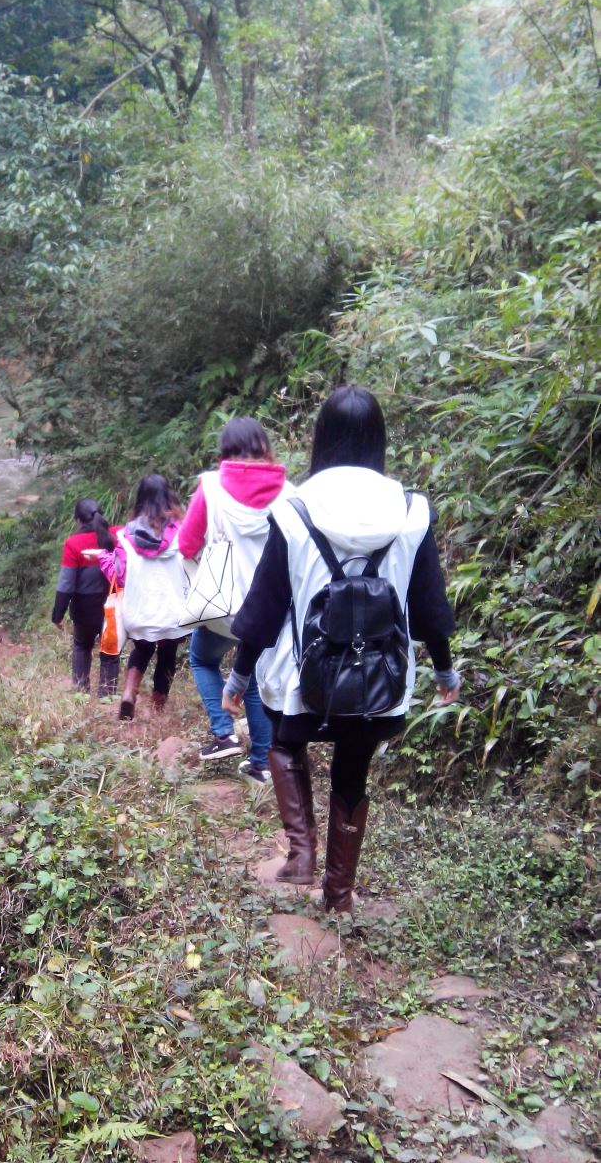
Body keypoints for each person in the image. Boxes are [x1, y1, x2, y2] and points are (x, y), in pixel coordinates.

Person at [222, 386, 460, 912]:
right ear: (378, 439)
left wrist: (238, 677)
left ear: (321, 437)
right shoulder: (411, 511)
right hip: (380, 680)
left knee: (285, 740)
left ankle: (301, 853)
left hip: (304, 676)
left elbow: (265, 604)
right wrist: (445, 670)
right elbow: (429, 603)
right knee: (353, 770)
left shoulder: (293, 511)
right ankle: (338, 893)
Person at [178, 417, 293, 783]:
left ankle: (223, 732)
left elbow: (186, 544)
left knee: (201, 659)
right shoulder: (290, 494)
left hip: (222, 605)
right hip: (270, 610)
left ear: (225, 450)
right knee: (255, 678)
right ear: (265, 447)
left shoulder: (211, 488)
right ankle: (261, 765)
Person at [100, 474, 188, 720]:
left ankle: (129, 693)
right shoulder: (182, 533)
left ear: (140, 499)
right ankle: (157, 708)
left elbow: (119, 576)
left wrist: (103, 558)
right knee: (167, 654)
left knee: (142, 649)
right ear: (168, 497)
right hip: (172, 610)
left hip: (139, 610)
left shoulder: (125, 536)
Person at [51, 498, 121, 696]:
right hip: (113, 604)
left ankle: (81, 693)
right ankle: (107, 696)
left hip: (84, 608)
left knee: (82, 646)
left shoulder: (73, 543)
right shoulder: (117, 534)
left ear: (78, 520)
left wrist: (57, 615)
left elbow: (66, 584)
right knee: (110, 651)